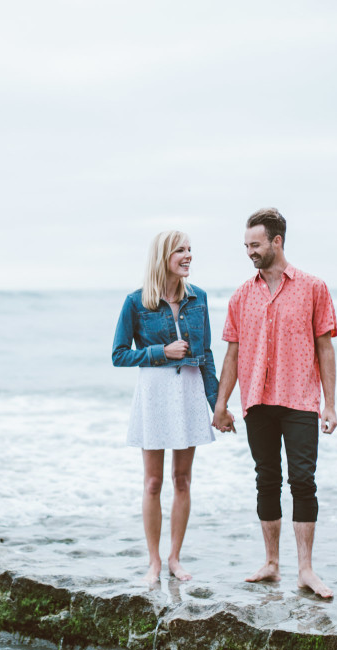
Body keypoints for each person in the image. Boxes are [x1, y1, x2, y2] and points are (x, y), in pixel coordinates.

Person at [212, 208, 337, 599]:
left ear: (276, 242)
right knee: (266, 479)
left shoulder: (313, 287)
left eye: (255, 244)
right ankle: (271, 563)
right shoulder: (241, 295)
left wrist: (329, 405)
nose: (249, 251)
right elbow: (232, 354)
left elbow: (325, 347)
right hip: (257, 400)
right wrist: (221, 404)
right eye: (246, 245)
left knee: (303, 481)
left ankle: (305, 570)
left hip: (300, 398)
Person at [112, 230, 219, 584]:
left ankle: (175, 558)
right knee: (154, 482)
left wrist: (217, 404)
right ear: (163, 257)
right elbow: (119, 355)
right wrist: (161, 352)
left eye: (190, 249)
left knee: (183, 480)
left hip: (187, 391)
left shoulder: (199, 298)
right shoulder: (136, 301)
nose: (188, 256)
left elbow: (206, 358)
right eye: (180, 250)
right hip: (155, 393)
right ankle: (154, 562)